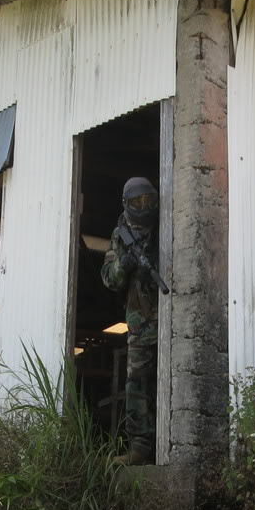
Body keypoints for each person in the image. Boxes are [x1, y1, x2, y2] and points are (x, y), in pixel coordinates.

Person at [101, 177, 160, 466]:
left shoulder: (164, 224)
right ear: (127, 204)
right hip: (140, 322)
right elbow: (109, 279)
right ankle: (139, 447)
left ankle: (164, 443)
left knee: (166, 381)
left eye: (148, 201)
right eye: (138, 203)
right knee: (136, 383)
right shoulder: (119, 233)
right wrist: (126, 263)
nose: (144, 207)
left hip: (170, 318)